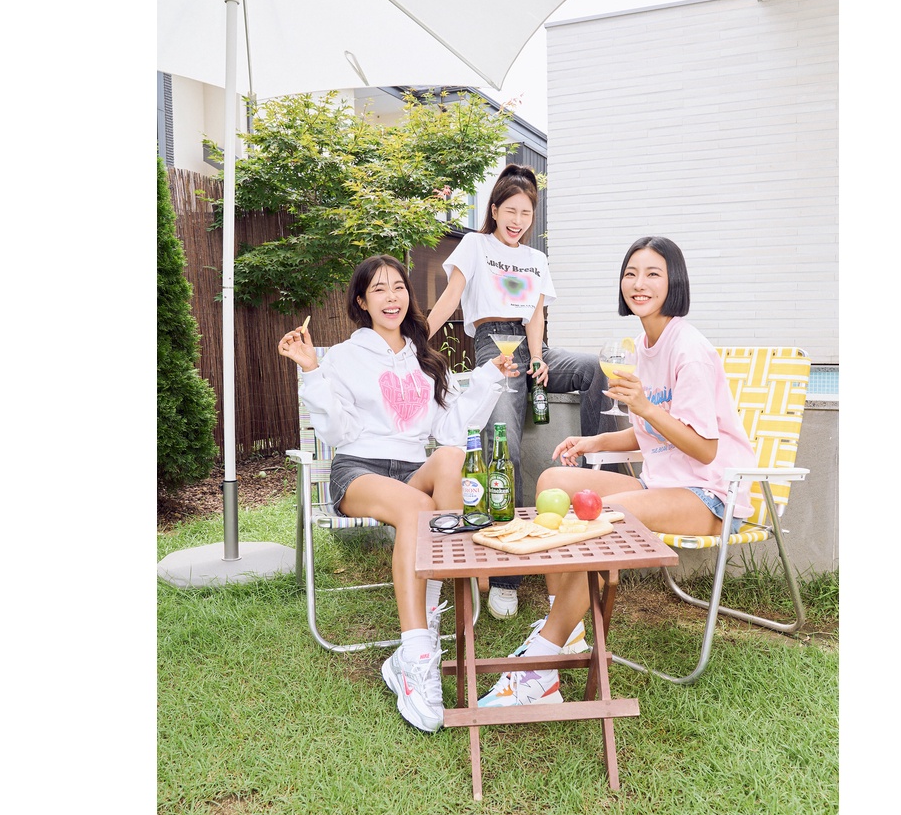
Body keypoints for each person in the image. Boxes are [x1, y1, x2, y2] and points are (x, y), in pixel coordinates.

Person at [476, 235, 758, 707]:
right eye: (631, 273)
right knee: (553, 482)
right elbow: (651, 434)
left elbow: (705, 448)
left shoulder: (689, 350)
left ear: (674, 281)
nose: (639, 283)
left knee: (604, 516)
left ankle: (541, 666)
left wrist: (644, 405)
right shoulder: (642, 346)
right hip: (660, 483)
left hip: (710, 494)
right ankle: (568, 632)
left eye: (653, 274)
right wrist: (594, 442)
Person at [277, 254, 516, 734]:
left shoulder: (425, 359)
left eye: (399, 287)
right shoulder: (340, 357)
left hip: (410, 470)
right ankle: (417, 655)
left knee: (451, 459)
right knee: (420, 509)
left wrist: (491, 375)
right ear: (362, 302)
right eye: (379, 289)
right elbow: (337, 432)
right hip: (359, 470)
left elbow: (450, 431)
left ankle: (420, 632)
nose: (392, 297)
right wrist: (312, 371)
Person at [425, 163, 614, 622]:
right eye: (510, 210)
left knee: (596, 370)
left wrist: (540, 359)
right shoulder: (475, 246)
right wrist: (416, 340)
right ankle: (507, 575)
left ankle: (593, 471)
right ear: (494, 210)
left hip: (533, 346)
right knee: (504, 448)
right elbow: (451, 297)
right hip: (494, 346)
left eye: (526, 213)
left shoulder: (535, 259)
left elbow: (535, 314)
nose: (518, 220)